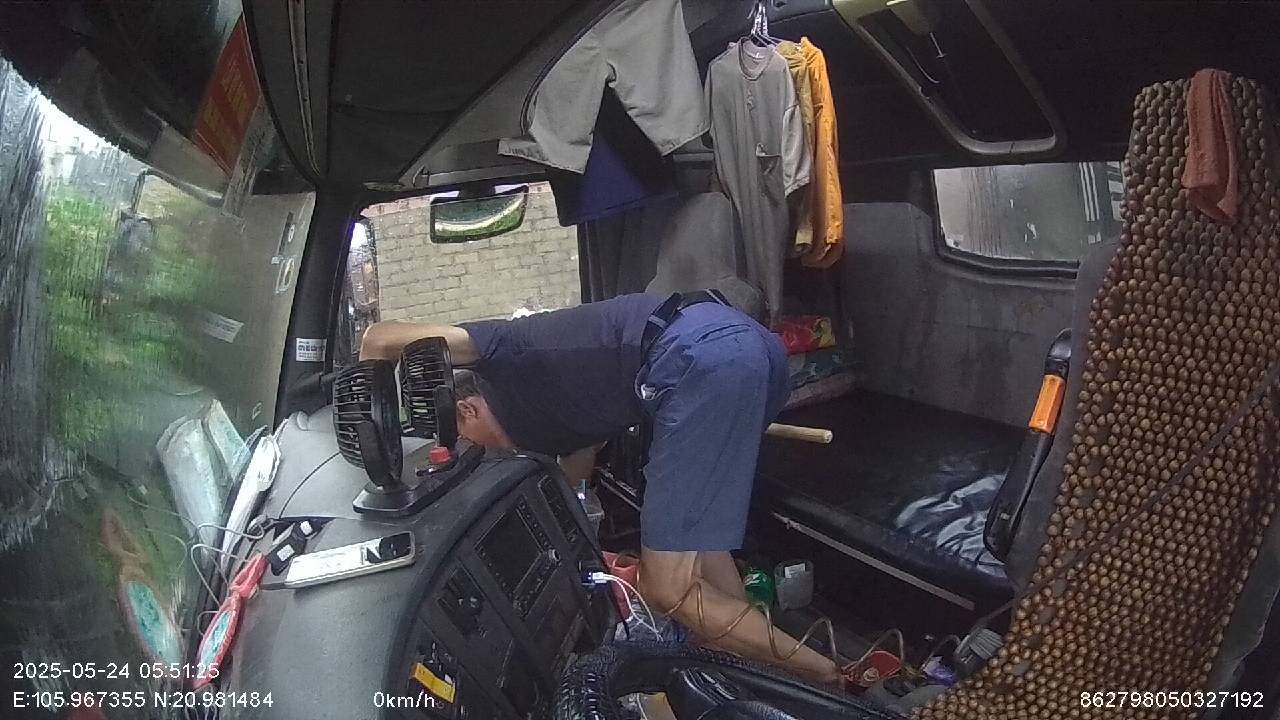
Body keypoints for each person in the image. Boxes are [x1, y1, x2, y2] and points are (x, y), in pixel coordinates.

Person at [360, 292, 841, 685]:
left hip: (700, 355)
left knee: (667, 589)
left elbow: (378, 337)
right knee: (694, 546)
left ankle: (828, 676)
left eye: (464, 442)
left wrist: (371, 428)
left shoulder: (499, 351)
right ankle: (752, 663)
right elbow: (575, 490)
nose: (472, 456)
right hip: (743, 351)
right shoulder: (547, 428)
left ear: (467, 409)